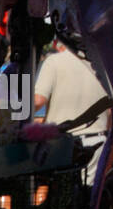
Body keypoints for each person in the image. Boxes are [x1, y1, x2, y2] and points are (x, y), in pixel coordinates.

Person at [34, 41, 111, 181]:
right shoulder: (104, 65)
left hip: (62, 145)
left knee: (59, 194)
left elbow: (38, 101)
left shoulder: (54, 62)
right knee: (89, 195)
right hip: (97, 142)